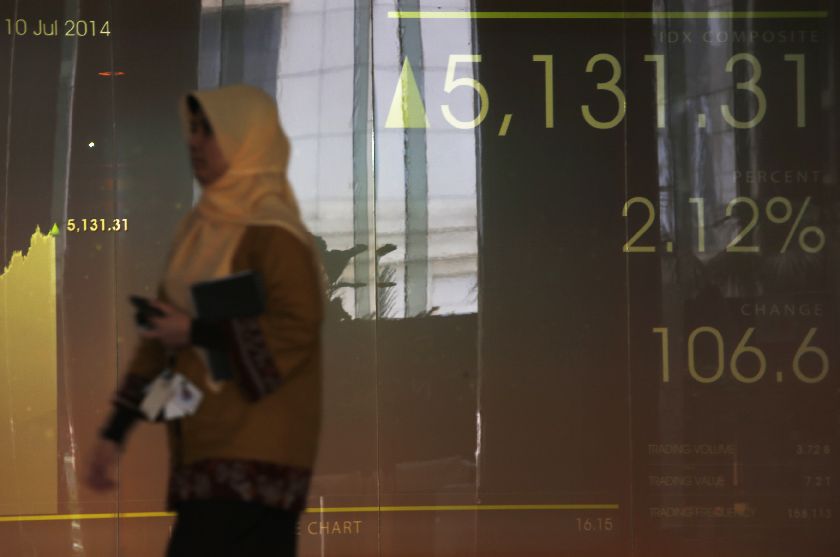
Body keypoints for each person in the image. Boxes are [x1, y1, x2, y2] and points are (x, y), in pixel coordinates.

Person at [86, 84, 323, 557]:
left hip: (258, 460)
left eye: (208, 130)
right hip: (204, 456)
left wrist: (193, 331)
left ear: (246, 139)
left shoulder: (274, 236)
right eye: (192, 129)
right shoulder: (200, 232)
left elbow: (297, 328)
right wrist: (116, 432)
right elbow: (164, 343)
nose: (194, 141)